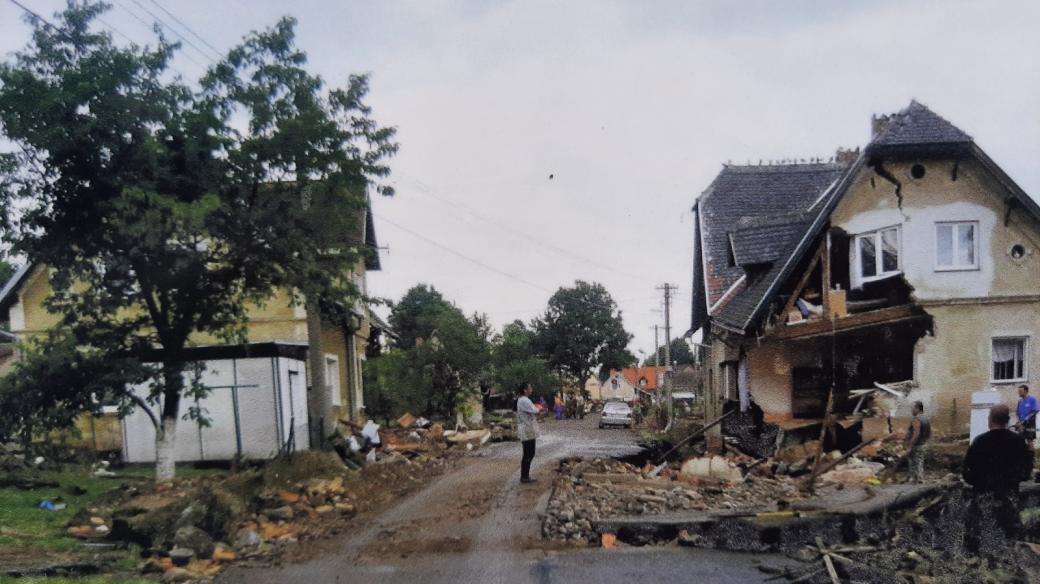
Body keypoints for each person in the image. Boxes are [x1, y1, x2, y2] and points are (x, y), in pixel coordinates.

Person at [962, 404, 1034, 553]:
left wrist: (979, 482)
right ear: (1007, 420)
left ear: (990, 419)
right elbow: (1026, 473)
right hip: (1009, 500)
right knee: (1007, 543)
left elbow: (967, 472)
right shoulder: (1018, 442)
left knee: (980, 541)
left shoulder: (979, 442)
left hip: (983, 500)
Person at [516, 383, 540, 484]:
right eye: (530, 388)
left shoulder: (524, 400)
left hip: (528, 429)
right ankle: (524, 476)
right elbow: (534, 410)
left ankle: (525, 475)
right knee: (528, 453)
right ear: (525, 390)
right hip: (526, 430)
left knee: (529, 453)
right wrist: (539, 408)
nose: (532, 389)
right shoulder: (524, 400)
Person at [904, 401, 931, 483]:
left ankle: (916, 481)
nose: (911, 411)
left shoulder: (916, 419)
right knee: (919, 462)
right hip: (923, 444)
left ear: (917, 408)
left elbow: (916, 434)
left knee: (914, 463)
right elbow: (930, 433)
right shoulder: (926, 418)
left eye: (912, 408)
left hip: (916, 445)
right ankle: (919, 480)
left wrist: (910, 446)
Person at [1015, 384, 1038, 449]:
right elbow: (1017, 412)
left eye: (1020, 391)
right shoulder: (1020, 401)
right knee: (1020, 439)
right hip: (1021, 424)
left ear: (1025, 391)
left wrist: (1026, 419)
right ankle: (1023, 455)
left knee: (1029, 439)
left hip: (1030, 424)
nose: (1018, 392)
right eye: (1018, 391)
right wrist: (1018, 421)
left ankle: (1032, 457)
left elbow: (1035, 411)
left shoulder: (1032, 399)